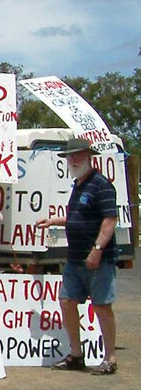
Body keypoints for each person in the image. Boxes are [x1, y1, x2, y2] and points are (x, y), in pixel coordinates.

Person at [36, 138, 119, 375]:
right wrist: (54, 221)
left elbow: (110, 219)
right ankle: (76, 354)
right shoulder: (78, 185)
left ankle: (110, 358)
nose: (72, 160)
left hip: (98, 259)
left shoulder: (101, 184)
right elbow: (77, 218)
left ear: (88, 156)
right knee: (66, 301)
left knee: (102, 306)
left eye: (77, 155)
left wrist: (98, 249)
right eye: (69, 156)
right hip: (74, 258)